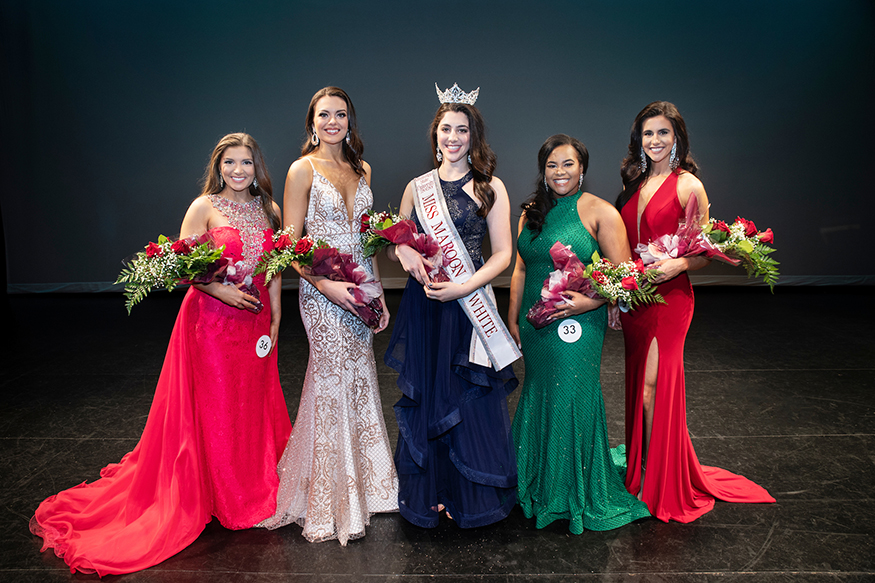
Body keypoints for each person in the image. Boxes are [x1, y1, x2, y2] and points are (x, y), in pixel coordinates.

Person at [29, 132, 293, 576]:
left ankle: (247, 484)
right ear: (218, 166)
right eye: (230, 162)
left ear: (257, 166)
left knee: (249, 405)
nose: (239, 171)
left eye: (246, 162)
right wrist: (222, 292)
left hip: (255, 321)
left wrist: (277, 317)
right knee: (215, 407)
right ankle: (214, 494)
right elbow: (184, 271)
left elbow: (275, 271)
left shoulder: (271, 209)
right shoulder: (203, 207)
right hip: (210, 320)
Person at [616, 101, 775, 522]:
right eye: (648, 134)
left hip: (670, 299)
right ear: (639, 139)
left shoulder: (688, 186)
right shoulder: (633, 181)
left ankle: (659, 480)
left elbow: (704, 253)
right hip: (636, 299)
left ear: (677, 138)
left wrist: (679, 264)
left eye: (663, 133)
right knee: (638, 385)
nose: (655, 141)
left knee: (653, 387)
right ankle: (647, 465)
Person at [257, 87, 398, 545]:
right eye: (324, 115)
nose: (332, 122)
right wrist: (323, 285)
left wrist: (376, 294)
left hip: (360, 288)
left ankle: (370, 486)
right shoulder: (303, 170)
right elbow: (289, 244)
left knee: (359, 380)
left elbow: (367, 241)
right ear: (311, 122)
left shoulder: (363, 169)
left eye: (340, 115)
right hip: (322, 292)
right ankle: (332, 497)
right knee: (331, 377)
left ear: (350, 122)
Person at [385, 84, 519, 528]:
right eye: (446, 129)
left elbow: (503, 253)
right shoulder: (416, 187)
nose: (453, 137)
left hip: (469, 303)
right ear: (435, 135)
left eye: (462, 130)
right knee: (431, 396)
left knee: (468, 395)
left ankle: (468, 493)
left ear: (473, 136)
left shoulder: (490, 186)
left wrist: (465, 287)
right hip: (427, 307)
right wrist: (401, 253)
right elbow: (393, 244)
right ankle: (434, 491)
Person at [507, 134, 651, 533]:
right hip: (536, 327)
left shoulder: (600, 212)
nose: (560, 172)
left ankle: (572, 489)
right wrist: (514, 318)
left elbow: (626, 278)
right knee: (539, 389)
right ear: (543, 170)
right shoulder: (531, 212)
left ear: (582, 167)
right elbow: (521, 268)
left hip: (577, 325)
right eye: (552, 165)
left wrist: (589, 304)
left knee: (571, 392)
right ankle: (536, 479)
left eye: (568, 164)